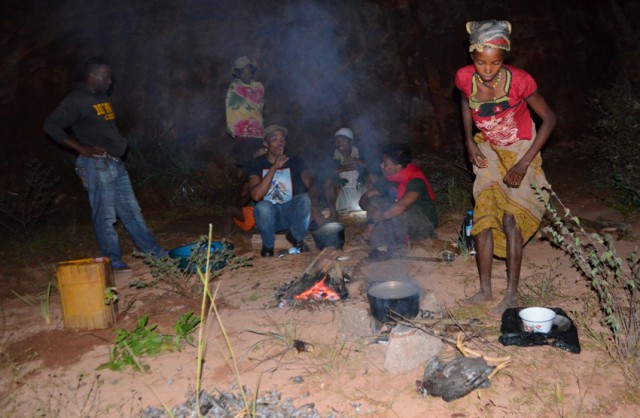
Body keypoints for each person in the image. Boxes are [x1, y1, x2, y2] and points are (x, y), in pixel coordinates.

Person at [455, 20, 556, 311]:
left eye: (495, 63)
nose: (487, 70)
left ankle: (511, 293)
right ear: (472, 57)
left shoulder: (520, 80)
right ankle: (485, 290)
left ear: (504, 60)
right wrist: (469, 142)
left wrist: (525, 163)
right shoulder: (464, 77)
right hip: (487, 147)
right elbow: (465, 102)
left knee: (511, 218)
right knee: (484, 216)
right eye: (481, 62)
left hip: (522, 147)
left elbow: (550, 119)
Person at [43, 57, 165, 270]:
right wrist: (82, 149)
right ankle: (111, 260)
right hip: (96, 164)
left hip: (114, 163)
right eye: (106, 78)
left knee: (132, 211)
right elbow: (51, 126)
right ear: (93, 76)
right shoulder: (76, 99)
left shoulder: (100, 98)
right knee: (105, 214)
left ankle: (153, 252)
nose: (110, 82)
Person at [247, 125, 320, 257]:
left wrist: (314, 206)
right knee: (263, 206)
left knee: (304, 198)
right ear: (265, 143)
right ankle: (268, 246)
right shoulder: (256, 164)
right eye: (275, 139)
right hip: (269, 219)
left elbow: (312, 184)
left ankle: (295, 237)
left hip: (291, 215)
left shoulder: (296, 162)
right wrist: (274, 168)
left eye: (282, 139)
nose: (280, 142)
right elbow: (256, 196)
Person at [359, 143, 437, 260]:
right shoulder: (389, 179)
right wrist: (371, 212)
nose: (381, 165)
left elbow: (400, 208)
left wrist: (376, 219)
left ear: (398, 167)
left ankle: (413, 241)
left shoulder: (415, 180)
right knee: (376, 202)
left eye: (385, 163)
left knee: (396, 210)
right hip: (400, 219)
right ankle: (380, 248)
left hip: (422, 224)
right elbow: (365, 197)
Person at [226, 56, 266, 169]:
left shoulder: (259, 87)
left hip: (257, 131)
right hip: (241, 132)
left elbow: (258, 108)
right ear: (238, 73)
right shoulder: (234, 87)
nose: (246, 74)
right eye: (243, 71)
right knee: (244, 165)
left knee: (256, 163)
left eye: (248, 70)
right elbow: (232, 109)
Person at [324, 127, 368, 220]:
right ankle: (334, 213)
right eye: (337, 141)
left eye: (343, 140)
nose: (339, 144)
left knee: (372, 178)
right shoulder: (333, 156)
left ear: (351, 142)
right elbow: (324, 173)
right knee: (329, 182)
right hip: (343, 193)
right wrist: (341, 169)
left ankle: (367, 208)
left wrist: (359, 162)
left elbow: (374, 167)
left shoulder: (361, 152)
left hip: (360, 192)